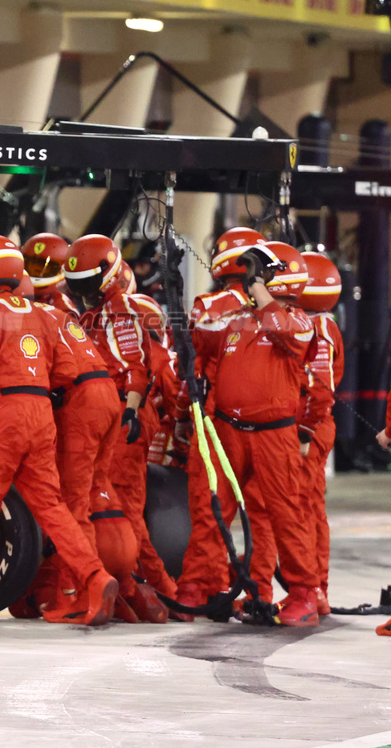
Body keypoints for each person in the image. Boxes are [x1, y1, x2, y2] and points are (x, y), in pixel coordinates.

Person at [0, 235, 116, 625]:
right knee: (53, 508)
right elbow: (66, 370)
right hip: (42, 415)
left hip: (2, 417)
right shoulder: (45, 315)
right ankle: (94, 576)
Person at [202, 241, 320, 625]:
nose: (251, 280)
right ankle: (211, 588)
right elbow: (201, 337)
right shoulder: (238, 319)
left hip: (274, 436)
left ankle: (304, 595)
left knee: (288, 516)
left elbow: (288, 333)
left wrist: (261, 295)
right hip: (231, 432)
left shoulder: (300, 320)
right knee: (213, 512)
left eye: (259, 272)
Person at [64, 234, 173, 622]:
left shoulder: (125, 309)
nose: (81, 292)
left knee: (124, 511)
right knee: (108, 508)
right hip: (108, 415)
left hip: (123, 416)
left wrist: (130, 412)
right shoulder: (91, 315)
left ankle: (159, 591)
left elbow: (136, 368)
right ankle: (131, 592)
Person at [173, 226, 268, 614]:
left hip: (217, 420)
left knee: (211, 506)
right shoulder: (278, 307)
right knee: (265, 514)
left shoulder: (208, 306)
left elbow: (191, 363)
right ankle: (264, 595)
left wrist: (182, 414)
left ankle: (198, 590)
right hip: (271, 424)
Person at [20, 274, 123, 619]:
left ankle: (78, 594)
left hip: (81, 401)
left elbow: (59, 372)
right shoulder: (64, 313)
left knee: (70, 504)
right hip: (108, 394)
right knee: (91, 496)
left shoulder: (26, 318)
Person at [297, 251, 343, 616]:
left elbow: (320, 387)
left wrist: (304, 431)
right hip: (308, 424)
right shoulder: (317, 323)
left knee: (306, 508)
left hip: (308, 427)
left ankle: (315, 589)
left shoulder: (319, 329)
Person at [21, 233, 80, 316]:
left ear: (61, 271)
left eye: (44, 267)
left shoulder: (64, 311)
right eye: (32, 263)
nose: (36, 268)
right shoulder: (5, 285)